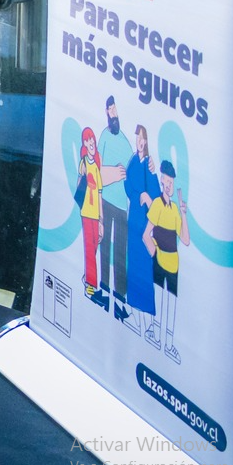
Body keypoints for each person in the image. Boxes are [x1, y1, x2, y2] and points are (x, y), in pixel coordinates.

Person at [145, 159, 191, 363]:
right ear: (162, 182)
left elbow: (186, 239)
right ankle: (154, 331)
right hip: (159, 258)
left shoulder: (174, 209)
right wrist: (154, 252)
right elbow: (146, 234)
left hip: (174, 262)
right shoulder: (157, 204)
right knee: (157, 297)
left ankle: (169, 344)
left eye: (172, 182)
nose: (170, 186)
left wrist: (183, 214)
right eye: (167, 182)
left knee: (171, 302)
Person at [96, 95, 133, 321]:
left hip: (122, 205)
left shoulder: (126, 141)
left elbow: (133, 169)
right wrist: (112, 173)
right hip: (106, 200)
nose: (113, 112)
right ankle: (102, 291)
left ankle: (120, 299)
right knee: (105, 248)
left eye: (115, 108)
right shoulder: (104, 137)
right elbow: (96, 171)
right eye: (109, 109)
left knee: (120, 252)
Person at [123, 123, 160, 338]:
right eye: (138, 138)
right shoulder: (132, 161)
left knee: (145, 266)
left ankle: (148, 317)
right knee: (133, 263)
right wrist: (139, 195)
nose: (140, 142)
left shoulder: (149, 165)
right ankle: (134, 310)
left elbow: (155, 194)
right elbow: (128, 185)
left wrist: (148, 197)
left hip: (146, 222)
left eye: (143, 139)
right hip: (134, 217)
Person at [76, 127, 104, 304]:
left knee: (94, 247)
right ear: (85, 144)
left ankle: (88, 278)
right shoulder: (84, 163)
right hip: (86, 212)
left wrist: (101, 220)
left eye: (92, 139)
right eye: (88, 140)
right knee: (89, 249)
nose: (91, 142)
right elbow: (79, 184)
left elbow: (100, 193)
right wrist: (83, 177)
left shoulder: (96, 166)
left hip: (95, 214)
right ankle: (90, 286)